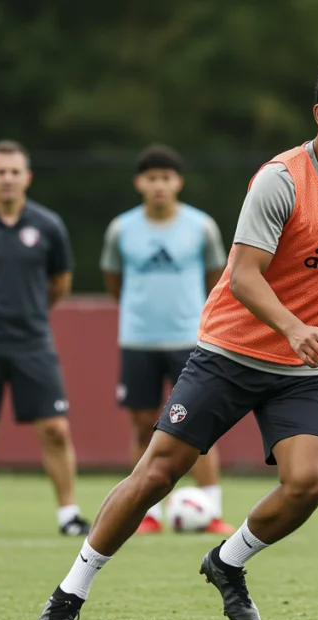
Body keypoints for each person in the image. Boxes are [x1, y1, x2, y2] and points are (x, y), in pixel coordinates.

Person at [33, 57, 318, 620]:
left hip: (302, 365)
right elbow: (243, 276)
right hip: (230, 353)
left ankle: (226, 561)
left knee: (309, 481)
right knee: (158, 474)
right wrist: (293, 327)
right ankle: (71, 590)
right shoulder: (281, 180)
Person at [0, 140, 91, 537]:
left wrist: (31, 311)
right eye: (0, 172)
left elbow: (60, 282)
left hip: (33, 341)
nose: (7, 179)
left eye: (15, 172)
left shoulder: (48, 226)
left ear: (27, 178)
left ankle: (68, 514)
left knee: (56, 429)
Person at [99, 143, 234, 536]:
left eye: (166, 178)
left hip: (191, 340)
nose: (159, 185)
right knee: (143, 425)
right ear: (140, 183)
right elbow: (114, 282)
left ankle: (211, 510)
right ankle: (147, 513)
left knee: (200, 425)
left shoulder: (201, 226)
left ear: (178, 182)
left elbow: (217, 277)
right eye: (151, 178)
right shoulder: (122, 229)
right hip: (139, 340)